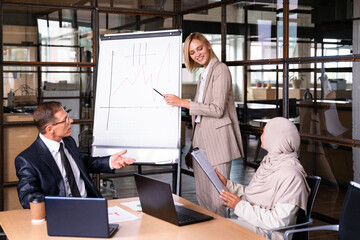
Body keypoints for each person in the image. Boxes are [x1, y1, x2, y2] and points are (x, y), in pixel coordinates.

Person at [163, 32, 244, 216]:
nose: (197, 54)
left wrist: (182, 102)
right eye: (192, 52)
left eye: (199, 48)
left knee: (217, 200)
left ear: (208, 45)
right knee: (203, 198)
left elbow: (217, 109)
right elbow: (200, 119)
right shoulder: (203, 74)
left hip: (218, 144)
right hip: (202, 145)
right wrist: (193, 149)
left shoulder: (220, 69)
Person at [15, 101, 136, 209]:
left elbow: (82, 163)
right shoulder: (28, 159)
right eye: (65, 120)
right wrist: (58, 207)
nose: (71, 121)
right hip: (62, 213)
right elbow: (28, 197)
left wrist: (109, 162)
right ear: (50, 129)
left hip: (90, 206)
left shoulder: (68, 141)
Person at [215, 117, 310, 240]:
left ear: (276, 137)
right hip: (252, 225)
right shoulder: (270, 163)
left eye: (265, 132)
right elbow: (255, 197)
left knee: (217, 230)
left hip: (269, 234)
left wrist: (239, 206)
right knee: (214, 227)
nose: (262, 135)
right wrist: (228, 185)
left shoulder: (292, 176)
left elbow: (279, 221)